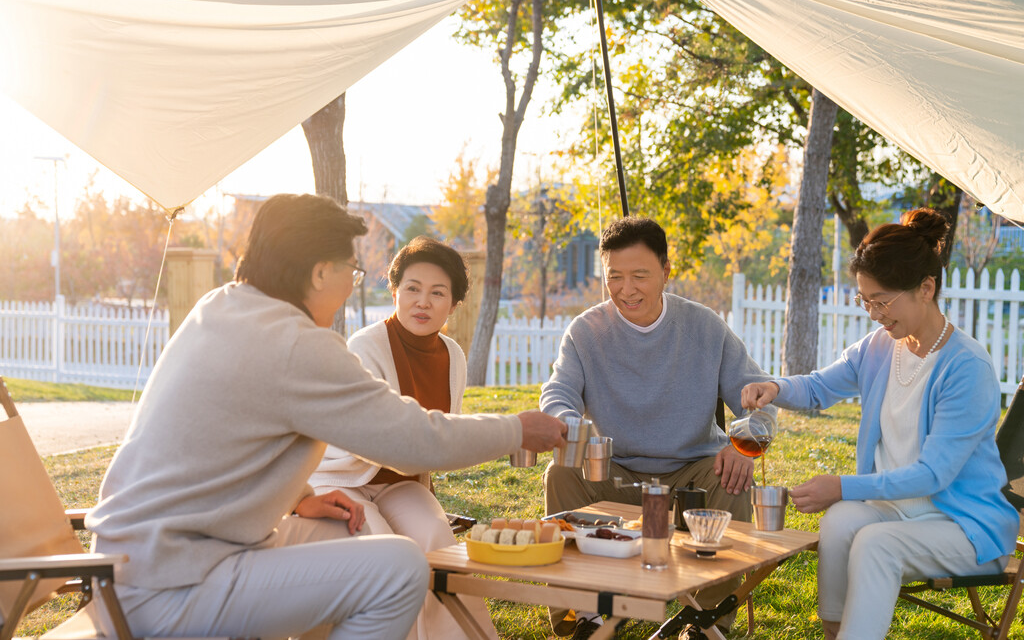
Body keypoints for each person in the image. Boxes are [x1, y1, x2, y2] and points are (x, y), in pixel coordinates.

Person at [86, 194, 566, 640]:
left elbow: (230, 434)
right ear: (319, 273)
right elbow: (412, 439)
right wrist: (517, 429)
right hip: (174, 586)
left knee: (346, 529)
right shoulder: (295, 344)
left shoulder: (220, 308)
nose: (350, 284)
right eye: (351, 271)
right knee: (399, 569)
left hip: (130, 569)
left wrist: (304, 495)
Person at [741, 208, 1017, 640]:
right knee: (840, 521)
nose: (872, 313)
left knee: (874, 541)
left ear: (926, 288)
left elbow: (934, 475)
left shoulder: (966, 367)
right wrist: (775, 387)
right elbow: (818, 388)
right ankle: (836, 633)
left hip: (963, 526)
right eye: (864, 300)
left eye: (882, 301)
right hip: (896, 512)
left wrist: (842, 485)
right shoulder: (880, 347)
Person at [541, 215, 775, 639]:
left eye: (639, 276)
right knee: (561, 472)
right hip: (614, 472)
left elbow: (760, 398)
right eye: (614, 276)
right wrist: (570, 426)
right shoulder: (584, 331)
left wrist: (743, 445)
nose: (626, 289)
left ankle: (707, 621)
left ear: (667, 270)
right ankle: (585, 615)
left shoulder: (706, 326)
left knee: (735, 473)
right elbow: (558, 394)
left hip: (693, 474)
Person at [309, 235, 497, 640]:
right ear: (394, 292)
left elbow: (442, 439)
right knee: (384, 548)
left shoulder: (454, 356)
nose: (423, 302)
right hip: (343, 479)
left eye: (437, 293)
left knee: (435, 540)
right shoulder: (366, 346)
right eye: (412, 289)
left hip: (400, 483)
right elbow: (399, 445)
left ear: (454, 304)